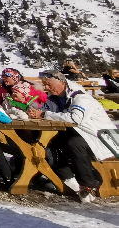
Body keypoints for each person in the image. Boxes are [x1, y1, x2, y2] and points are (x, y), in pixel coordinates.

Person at [27, 70, 114, 201]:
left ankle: (88, 185)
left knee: (74, 144)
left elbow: (75, 119)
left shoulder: (81, 98)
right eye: (44, 85)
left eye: (49, 84)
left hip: (101, 137)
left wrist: (44, 115)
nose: (46, 88)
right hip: (84, 135)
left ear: (62, 82)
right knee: (50, 141)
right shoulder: (58, 98)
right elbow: (46, 109)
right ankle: (67, 177)